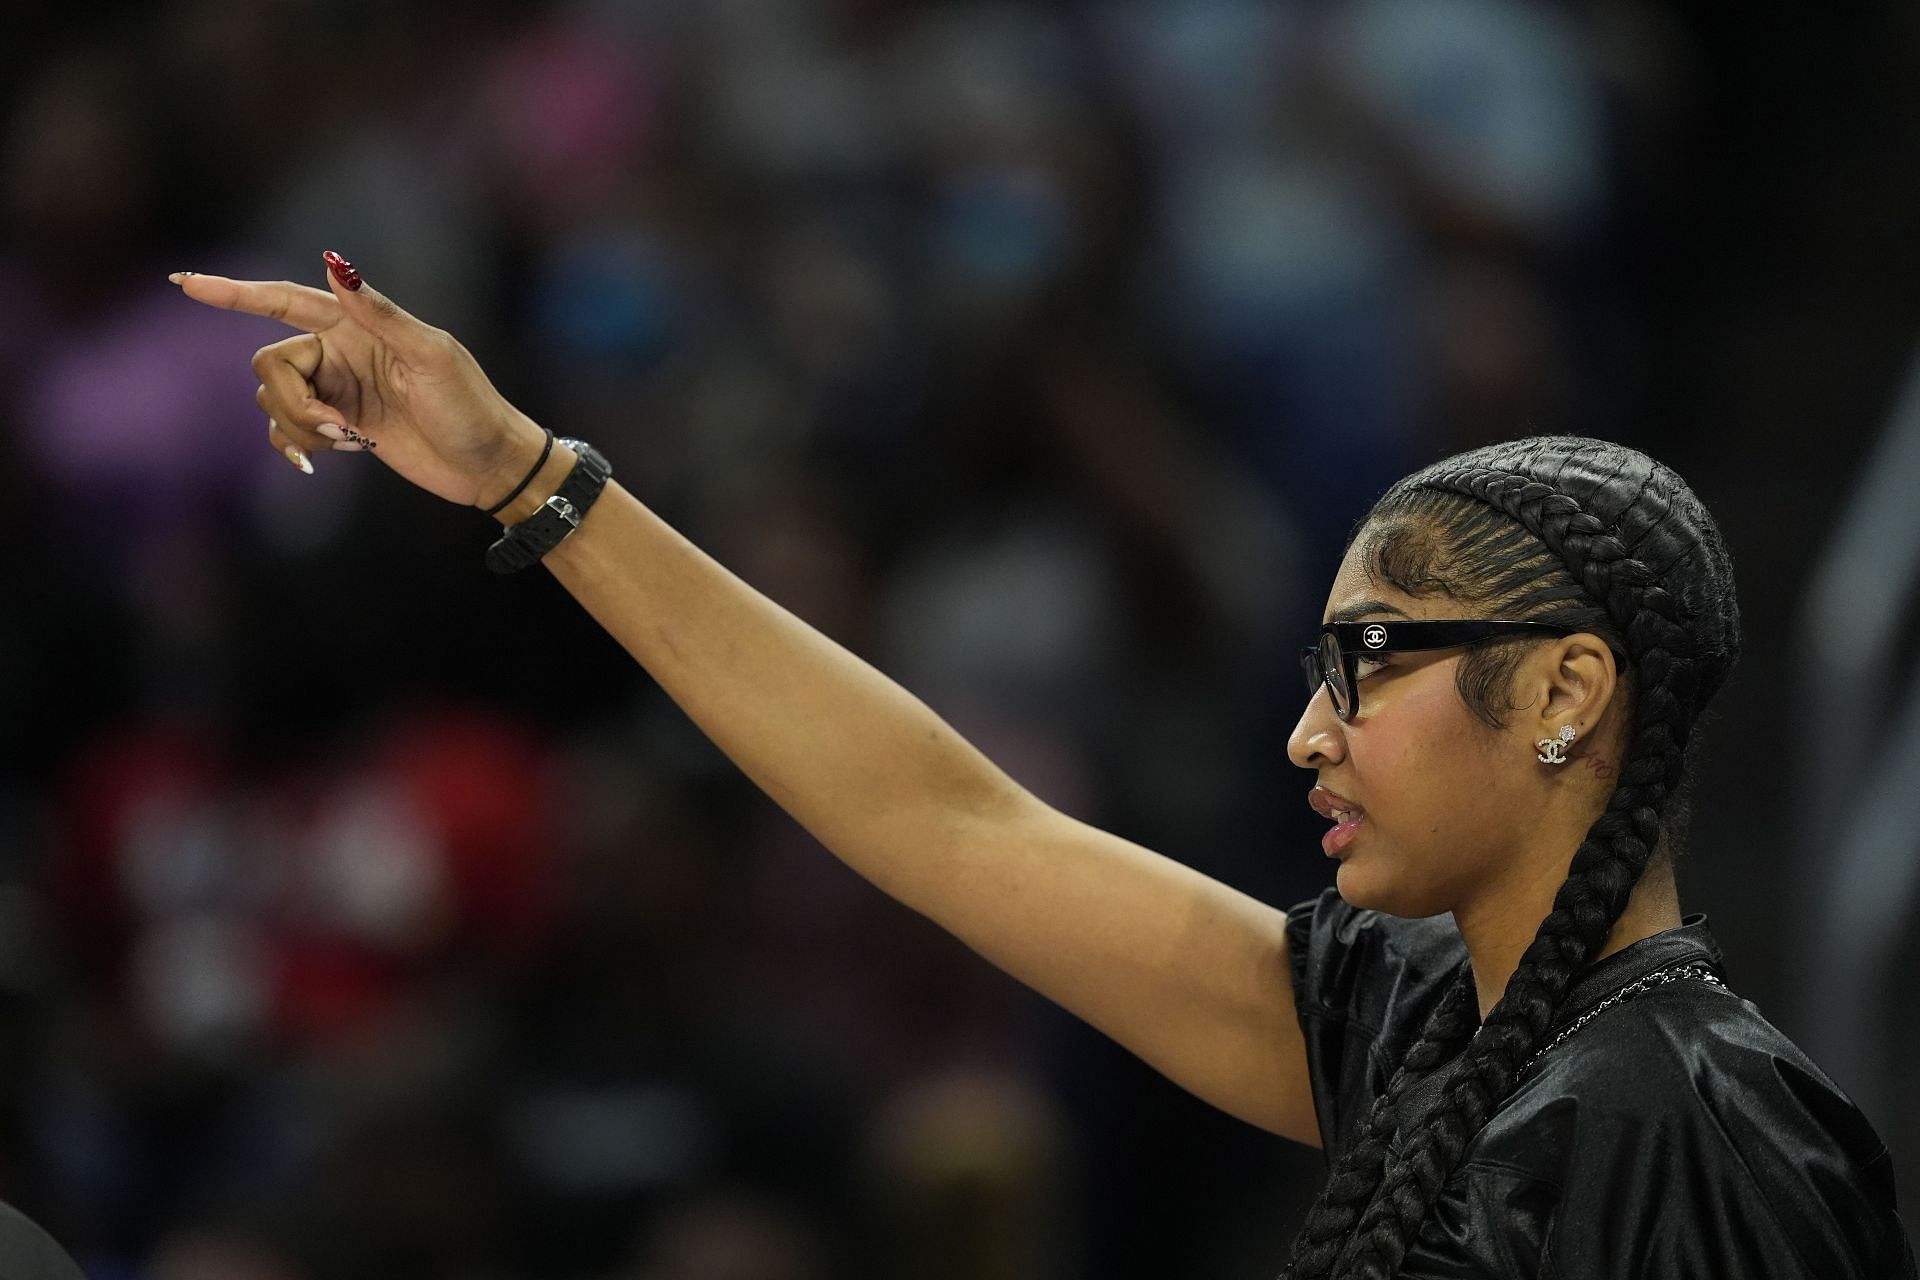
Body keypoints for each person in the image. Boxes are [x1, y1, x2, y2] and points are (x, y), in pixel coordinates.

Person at [173, 253, 1917, 1278]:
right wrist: (530, 480)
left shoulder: (1689, 1120)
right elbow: (946, 816)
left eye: (1369, 660)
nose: (1309, 729)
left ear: (1568, 689)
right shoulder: (1428, 1023)